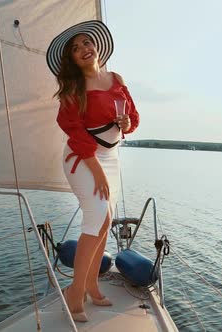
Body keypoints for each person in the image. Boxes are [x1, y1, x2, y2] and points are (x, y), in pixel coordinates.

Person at [46, 20, 139, 322]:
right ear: (72, 59)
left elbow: (133, 116)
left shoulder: (116, 78)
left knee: (106, 219)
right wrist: (96, 170)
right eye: (76, 48)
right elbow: (74, 131)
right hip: (82, 157)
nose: (83, 49)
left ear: (96, 46)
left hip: (111, 157)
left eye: (86, 43)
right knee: (97, 215)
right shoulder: (74, 88)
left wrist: (127, 124)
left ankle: (92, 285)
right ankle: (75, 291)